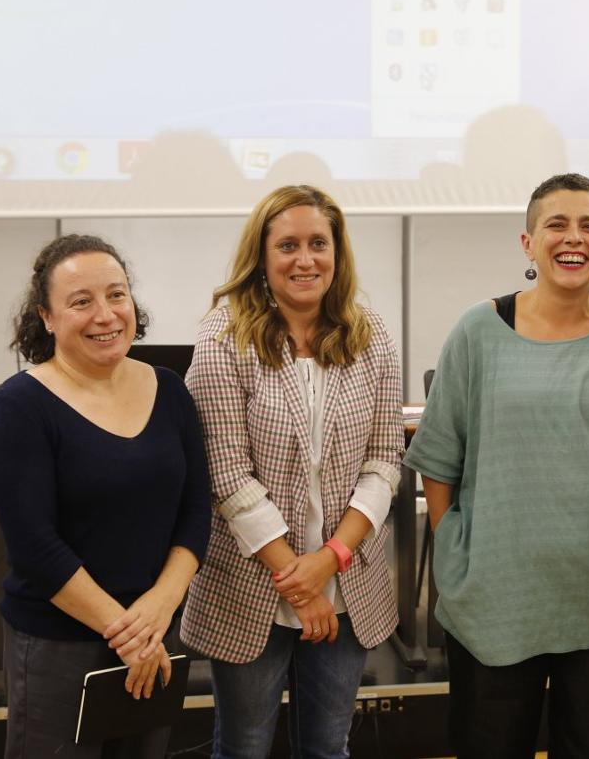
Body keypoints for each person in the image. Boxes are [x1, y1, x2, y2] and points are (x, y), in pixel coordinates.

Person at [404, 173, 589, 759]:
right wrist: (454, 547)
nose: (574, 238)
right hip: (497, 598)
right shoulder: (478, 331)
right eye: (557, 224)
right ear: (527, 243)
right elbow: (439, 456)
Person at [179, 185, 404, 759]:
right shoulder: (222, 338)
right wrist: (298, 583)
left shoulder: (372, 336)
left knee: (328, 748)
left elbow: (384, 461)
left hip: (348, 586)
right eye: (288, 245)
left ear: (337, 252)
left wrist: (330, 561)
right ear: (262, 255)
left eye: (318, 244)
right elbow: (225, 474)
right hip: (250, 586)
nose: (305, 260)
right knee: (244, 749)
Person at [0, 234, 211, 758]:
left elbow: (196, 512)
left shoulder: (169, 389)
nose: (105, 315)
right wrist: (128, 633)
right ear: (48, 317)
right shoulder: (19, 407)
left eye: (117, 295)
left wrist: (160, 607)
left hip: (155, 636)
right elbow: (36, 548)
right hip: (59, 644)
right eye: (81, 302)